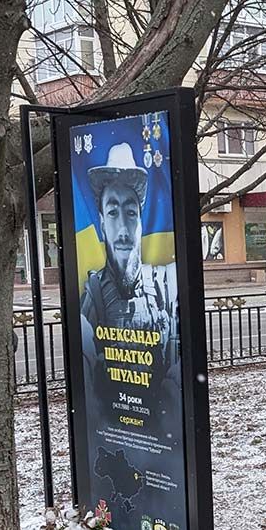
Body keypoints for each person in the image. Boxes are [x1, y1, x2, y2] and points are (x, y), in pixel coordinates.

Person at [79, 142, 180, 409]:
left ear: (141, 222)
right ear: (102, 224)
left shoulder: (166, 286)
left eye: (131, 213)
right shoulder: (93, 296)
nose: (123, 229)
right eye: (113, 213)